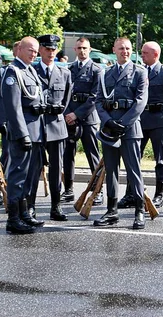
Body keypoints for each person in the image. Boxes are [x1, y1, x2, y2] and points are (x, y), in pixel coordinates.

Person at [94, 37, 148, 229]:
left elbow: (141, 102)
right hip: (109, 128)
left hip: (130, 128)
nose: (124, 51)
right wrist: (108, 121)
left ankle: (139, 211)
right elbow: (99, 101)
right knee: (111, 171)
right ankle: (111, 211)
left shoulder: (140, 72)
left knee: (134, 171)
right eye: (121, 48)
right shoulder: (105, 74)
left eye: (127, 49)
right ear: (114, 50)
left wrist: (123, 124)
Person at [118, 41, 163, 209]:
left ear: (155, 55)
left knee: (160, 159)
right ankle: (131, 194)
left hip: (159, 120)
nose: (141, 55)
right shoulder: (138, 71)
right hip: (141, 120)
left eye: (145, 53)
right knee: (133, 158)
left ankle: (159, 194)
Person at [1, 37, 46, 234]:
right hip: (23, 132)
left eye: (36, 51)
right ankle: (13, 219)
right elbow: (13, 107)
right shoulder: (13, 72)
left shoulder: (30, 70)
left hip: (35, 131)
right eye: (30, 50)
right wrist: (22, 134)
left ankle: (24, 213)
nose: (34, 54)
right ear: (19, 48)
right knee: (18, 176)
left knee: (29, 177)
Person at [31, 34, 72, 221]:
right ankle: (30, 206)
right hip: (37, 126)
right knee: (33, 169)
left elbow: (66, 99)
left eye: (53, 49)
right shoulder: (31, 71)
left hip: (56, 126)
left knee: (57, 169)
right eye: (47, 49)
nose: (50, 52)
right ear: (40, 50)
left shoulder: (65, 73)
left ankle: (56, 206)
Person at [62, 38, 102, 205]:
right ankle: (68, 189)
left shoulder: (96, 70)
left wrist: (77, 114)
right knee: (67, 155)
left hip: (87, 118)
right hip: (69, 117)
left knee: (92, 155)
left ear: (90, 49)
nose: (82, 51)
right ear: (75, 49)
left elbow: (95, 97)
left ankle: (97, 190)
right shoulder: (69, 69)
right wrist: (68, 114)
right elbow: (63, 95)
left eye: (85, 48)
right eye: (79, 48)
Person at [0, 41, 20, 206]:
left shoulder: (29, 71)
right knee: (7, 155)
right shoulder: (3, 72)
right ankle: (0, 188)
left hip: (26, 122)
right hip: (9, 122)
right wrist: (1, 120)